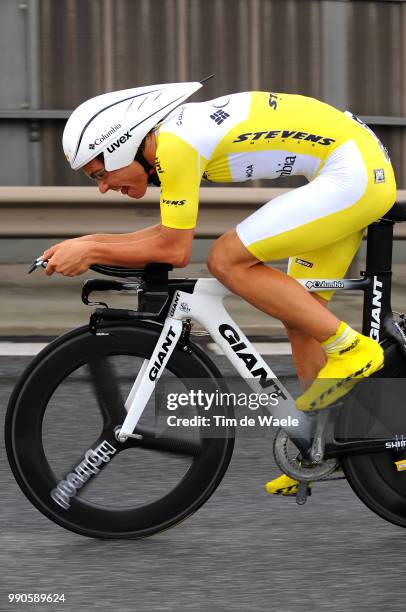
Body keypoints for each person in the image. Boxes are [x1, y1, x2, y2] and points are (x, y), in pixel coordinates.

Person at [44, 81, 396, 496]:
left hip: (351, 171)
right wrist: (88, 245)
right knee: (301, 314)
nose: (103, 186)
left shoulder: (173, 145)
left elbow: (173, 249)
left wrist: (90, 246)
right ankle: (320, 446)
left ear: (122, 145)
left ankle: (352, 349)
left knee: (226, 259)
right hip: (349, 166)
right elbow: (164, 234)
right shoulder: (167, 142)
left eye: (101, 173)